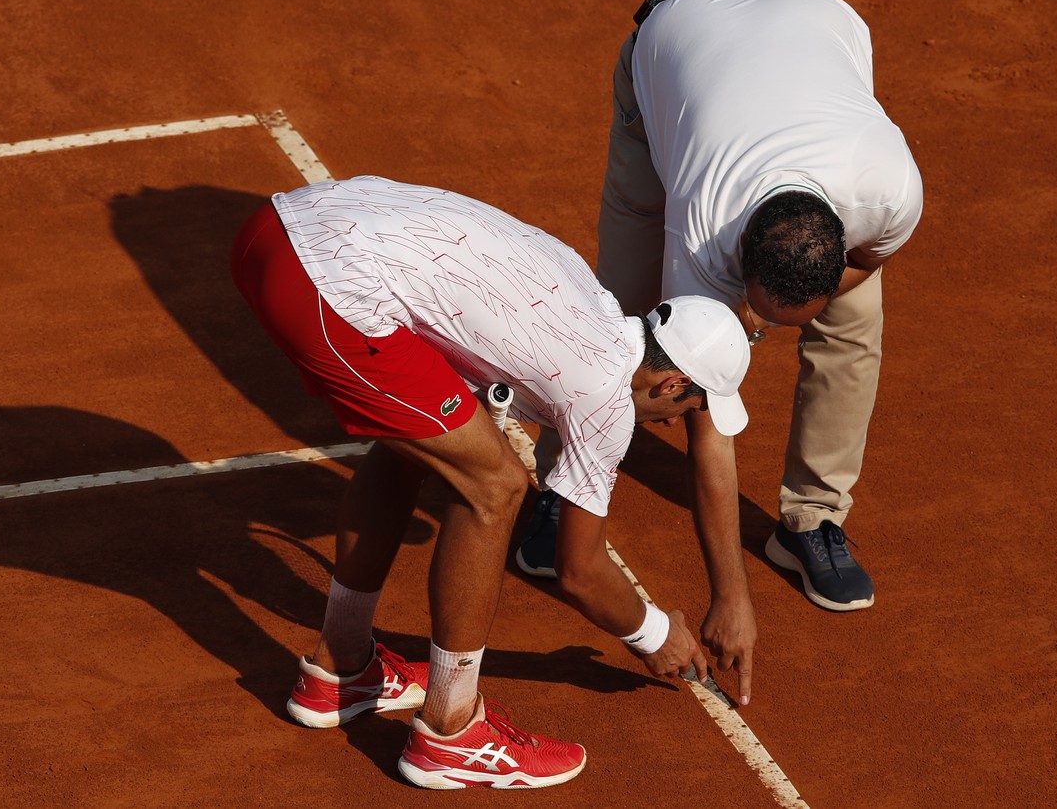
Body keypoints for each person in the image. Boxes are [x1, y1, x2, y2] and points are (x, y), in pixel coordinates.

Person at [231, 175, 752, 789]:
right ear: (669, 385)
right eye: (689, 410)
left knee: (419, 450)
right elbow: (579, 572)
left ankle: (340, 669)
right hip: (327, 283)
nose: (675, 423)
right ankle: (450, 733)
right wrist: (655, 634)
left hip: (275, 230)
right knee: (495, 487)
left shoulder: (587, 296)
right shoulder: (608, 396)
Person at [519, 0, 923, 616]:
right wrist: (730, 596)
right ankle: (560, 481)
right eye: (754, 306)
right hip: (672, 50)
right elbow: (703, 418)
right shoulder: (703, 229)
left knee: (853, 327)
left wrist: (754, 318)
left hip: (813, 29)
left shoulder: (891, 192)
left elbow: (865, 266)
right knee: (619, 313)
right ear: (737, 261)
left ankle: (812, 518)